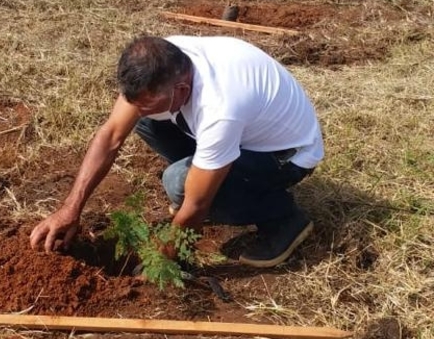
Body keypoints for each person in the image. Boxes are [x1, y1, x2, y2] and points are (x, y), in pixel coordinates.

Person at [30, 35, 324, 268]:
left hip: (286, 155)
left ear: (182, 90)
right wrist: (71, 208)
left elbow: (196, 206)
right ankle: (212, 174)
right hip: (245, 134)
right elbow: (110, 137)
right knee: (146, 121)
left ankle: (284, 219)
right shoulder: (164, 60)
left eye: (150, 102)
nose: (138, 108)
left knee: (179, 184)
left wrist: (165, 258)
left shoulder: (220, 108)